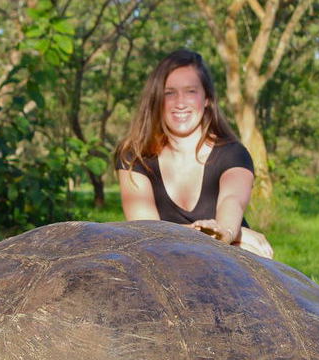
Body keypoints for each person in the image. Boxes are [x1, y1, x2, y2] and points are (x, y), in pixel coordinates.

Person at [114, 49, 273, 259]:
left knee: (248, 251)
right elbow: (145, 232)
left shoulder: (234, 155)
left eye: (191, 91)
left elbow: (231, 203)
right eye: (169, 92)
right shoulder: (133, 156)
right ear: (156, 100)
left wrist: (227, 232)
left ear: (207, 98)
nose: (180, 102)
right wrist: (236, 235)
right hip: (164, 263)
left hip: (226, 262)